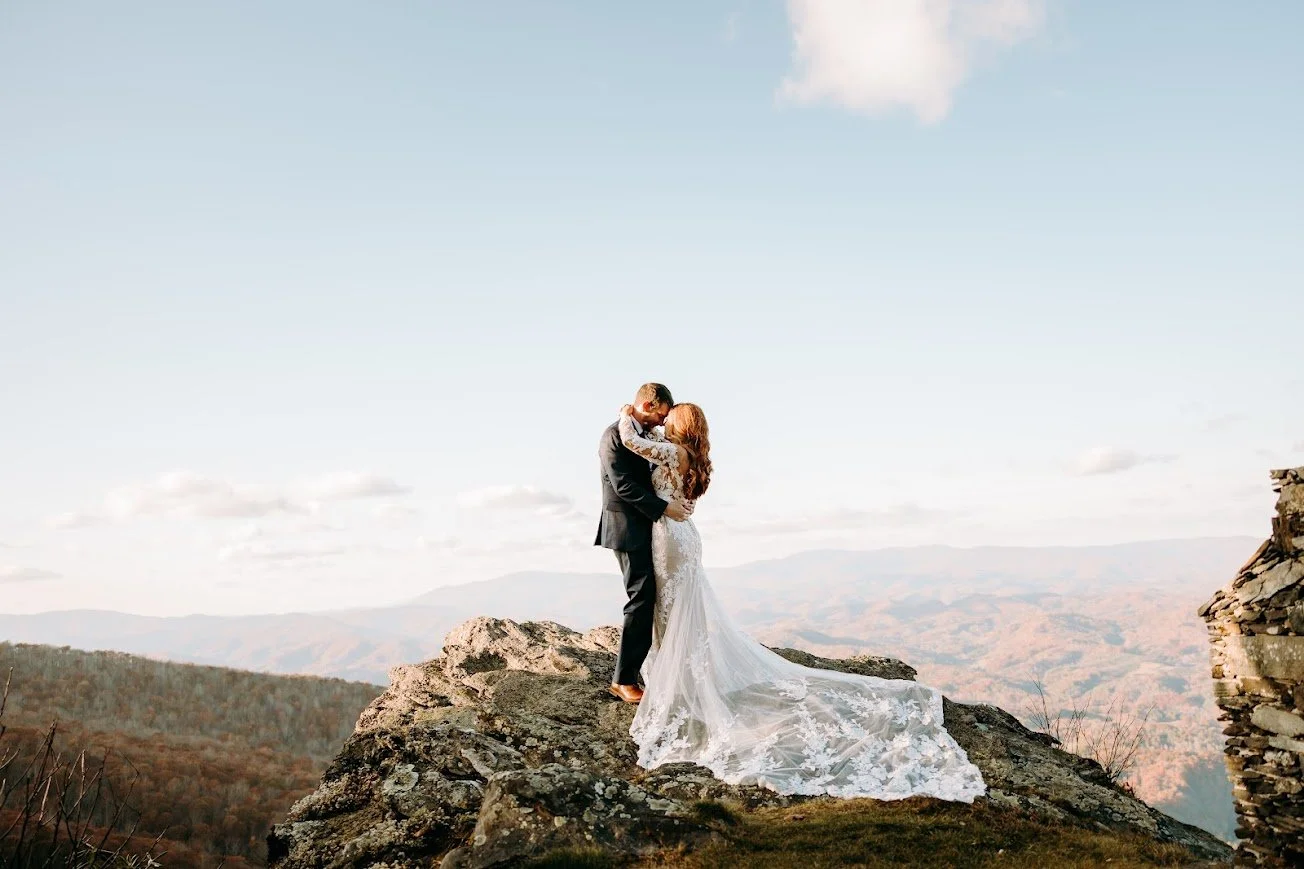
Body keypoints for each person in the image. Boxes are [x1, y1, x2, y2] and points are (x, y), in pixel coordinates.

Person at [612, 401, 987, 802]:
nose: (665, 423)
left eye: (671, 419)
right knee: (680, 610)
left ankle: (680, 684)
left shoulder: (672, 452)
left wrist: (626, 412)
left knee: (673, 611)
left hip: (670, 539)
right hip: (682, 537)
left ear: (681, 425)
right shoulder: (693, 456)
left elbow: (632, 441)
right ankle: (680, 679)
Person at [595, 383, 693, 704]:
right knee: (641, 597)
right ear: (649, 405)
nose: (663, 423)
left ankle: (640, 672)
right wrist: (665, 508)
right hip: (625, 528)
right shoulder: (613, 437)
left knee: (649, 595)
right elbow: (623, 486)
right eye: (661, 415)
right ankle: (623, 680)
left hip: (647, 528)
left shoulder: (646, 436)